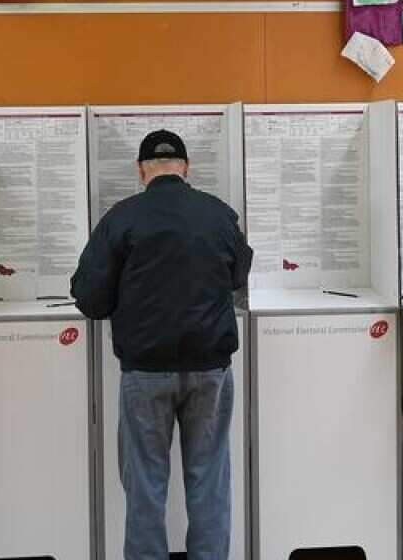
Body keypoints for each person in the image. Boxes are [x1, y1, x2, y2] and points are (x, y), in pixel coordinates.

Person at [71, 130, 253, 560]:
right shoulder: (218, 215)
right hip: (210, 368)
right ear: (187, 169)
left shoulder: (122, 218)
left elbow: (90, 298)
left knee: (145, 487)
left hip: (145, 372)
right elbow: (238, 276)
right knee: (209, 479)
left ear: (141, 171)